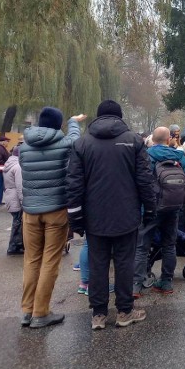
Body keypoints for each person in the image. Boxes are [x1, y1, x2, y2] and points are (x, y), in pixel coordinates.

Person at [67, 100, 154, 330]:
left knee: (98, 264)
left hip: (94, 217)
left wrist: (75, 217)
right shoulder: (134, 141)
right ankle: (125, 311)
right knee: (125, 263)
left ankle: (98, 314)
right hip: (127, 214)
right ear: (120, 116)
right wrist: (151, 209)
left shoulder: (81, 143)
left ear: (97, 117)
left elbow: (74, 184)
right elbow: (145, 180)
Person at [18, 108, 84, 328]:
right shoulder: (64, 144)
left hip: (30, 211)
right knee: (50, 260)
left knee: (31, 260)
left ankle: (26, 310)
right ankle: (41, 312)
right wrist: (74, 122)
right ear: (58, 125)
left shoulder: (24, 147)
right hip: (56, 209)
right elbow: (75, 139)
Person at [133, 126, 185, 297]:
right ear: (169, 140)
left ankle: (136, 285)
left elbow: (140, 180)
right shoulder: (179, 155)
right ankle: (166, 282)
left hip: (150, 207)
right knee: (169, 245)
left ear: (153, 139)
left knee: (142, 246)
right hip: (173, 207)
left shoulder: (147, 154)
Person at [3, 145, 24, 255]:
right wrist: (23, 201)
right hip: (15, 197)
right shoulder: (18, 167)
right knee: (18, 223)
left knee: (17, 221)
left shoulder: (8, 164)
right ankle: (14, 246)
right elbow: (20, 187)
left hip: (9, 195)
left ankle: (16, 245)